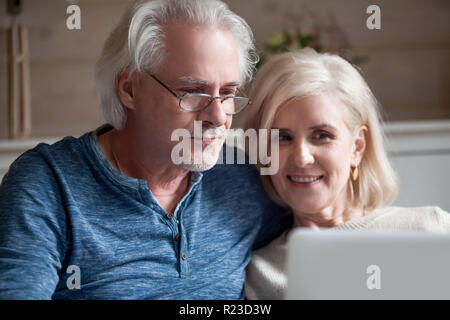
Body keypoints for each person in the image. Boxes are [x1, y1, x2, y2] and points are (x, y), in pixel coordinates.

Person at [0, 0, 290, 299]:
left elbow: (320, 218)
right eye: (192, 92)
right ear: (129, 88)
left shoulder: (238, 177)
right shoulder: (50, 184)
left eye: (227, 93)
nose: (218, 117)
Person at [243, 48, 450, 300]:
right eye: (283, 138)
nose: (301, 157)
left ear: (357, 146)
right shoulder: (259, 274)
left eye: (322, 136)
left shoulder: (432, 229)